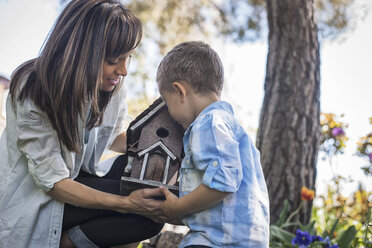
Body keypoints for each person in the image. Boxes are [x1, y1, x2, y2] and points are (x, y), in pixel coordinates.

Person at [0, 1, 165, 247]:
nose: (123, 70)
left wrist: (157, 143)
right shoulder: (33, 87)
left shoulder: (110, 84)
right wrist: (125, 204)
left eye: (127, 58)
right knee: (141, 211)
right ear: (83, 52)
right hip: (39, 197)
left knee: (140, 179)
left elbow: (111, 137)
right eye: (114, 60)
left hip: (76, 179)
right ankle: (67, 243)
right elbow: (53, 183)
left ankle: (78, 239)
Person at [156, 41, 270, 248]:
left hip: (218, 241)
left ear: (180, 92)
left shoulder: (207, 123)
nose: (169, 114)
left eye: (166, 102)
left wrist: (180, 207)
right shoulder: (229, 126)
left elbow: (223, 182)